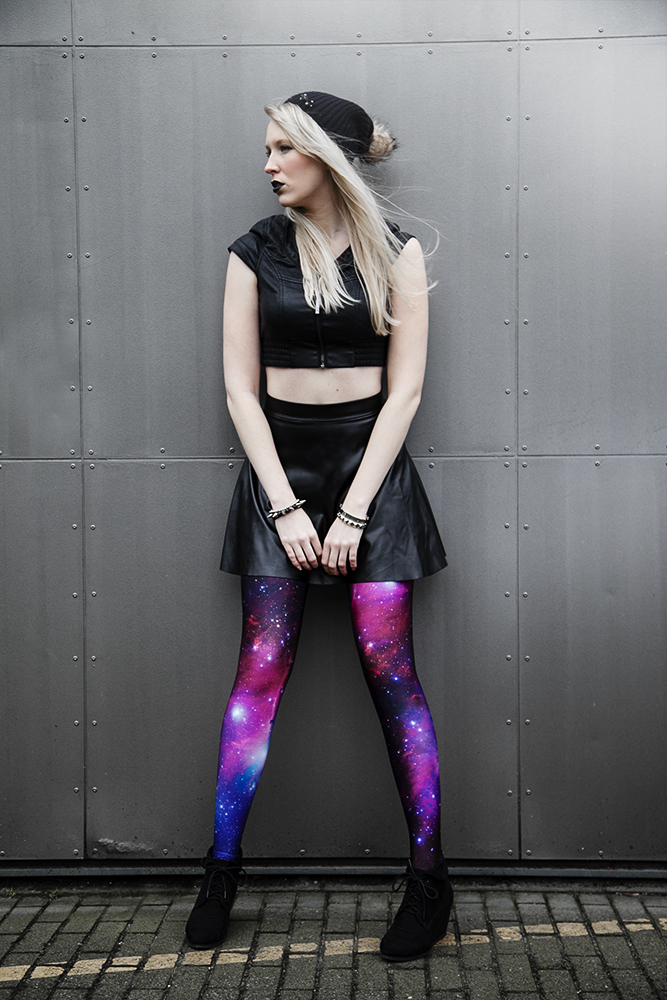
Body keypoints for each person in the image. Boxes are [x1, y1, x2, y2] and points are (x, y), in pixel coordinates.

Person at [185, 91, 451, 962]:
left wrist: (354, 510)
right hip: (281, 475)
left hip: (372, 476)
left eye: (281, 149)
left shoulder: (395, 252)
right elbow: (239, 391)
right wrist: (287, 506)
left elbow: (405, 392)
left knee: (391, 675)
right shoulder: (253, 251)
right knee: (258, 674)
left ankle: (428, 880)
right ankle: (220, 873)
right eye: (266, 149)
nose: (267, 164)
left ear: (326, 155)